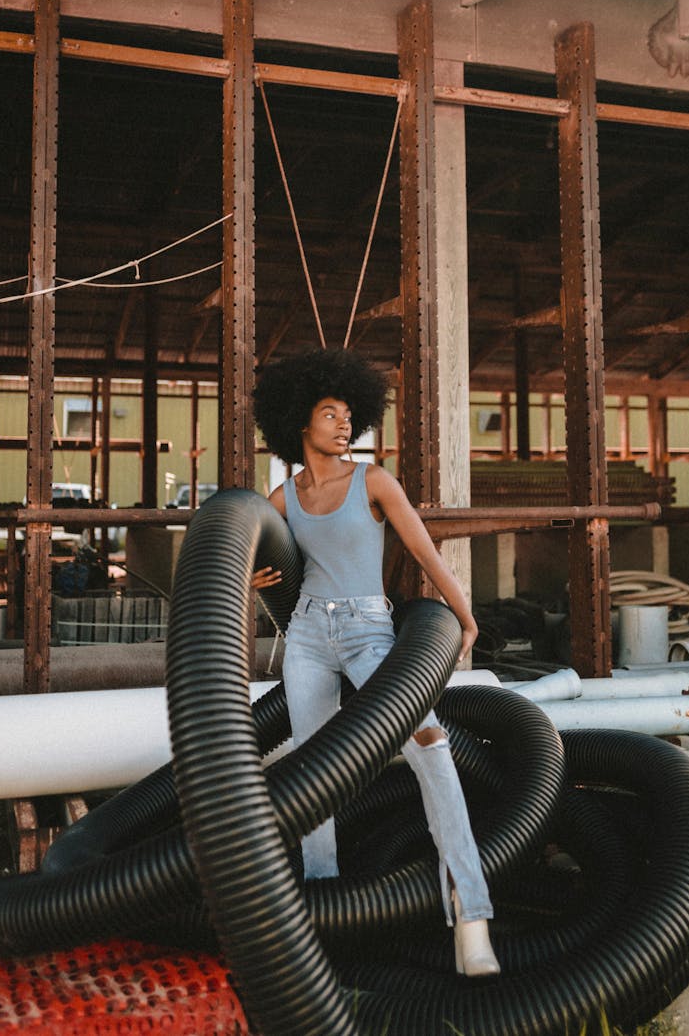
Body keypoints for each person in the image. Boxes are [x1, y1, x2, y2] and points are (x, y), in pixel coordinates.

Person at [252, 347, 499, 977]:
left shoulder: (375, 482)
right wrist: (254, 576)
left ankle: (471, 916)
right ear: (298, 423)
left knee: (432, 748)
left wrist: (465, 617)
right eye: (328, 413)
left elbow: (427, 552)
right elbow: (239, 546)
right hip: (306, 635)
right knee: (315, 774)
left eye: (347, 414)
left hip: (370, 633)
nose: (342, 424)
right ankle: (329, 919)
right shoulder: (284, 498)